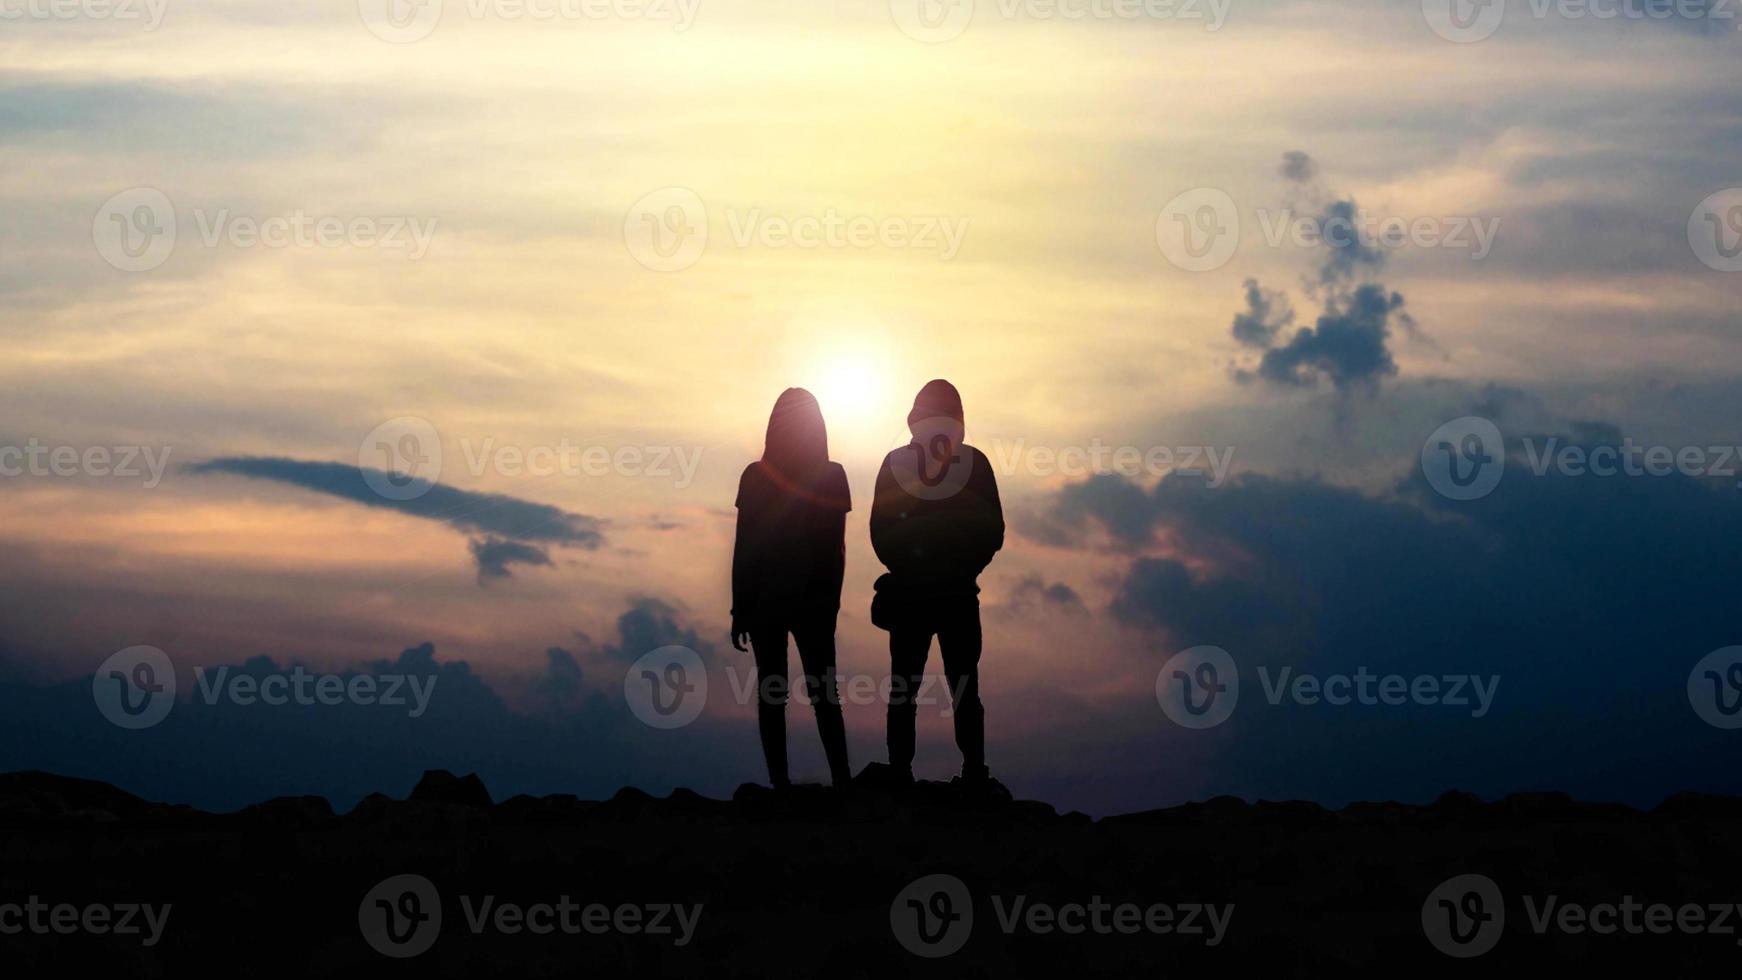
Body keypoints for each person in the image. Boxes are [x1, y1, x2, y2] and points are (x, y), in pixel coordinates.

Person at [870, 379, 1004, 788]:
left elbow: (992, 530)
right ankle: (913, 773)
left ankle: (968, 772)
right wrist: (947, 566)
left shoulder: (973, 466)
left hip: (945, 593)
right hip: (941, 594)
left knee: (947, 689)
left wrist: (955, 568)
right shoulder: (901, 465)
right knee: (926, 690)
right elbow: (882, 531)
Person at [730, 388, 853, 788]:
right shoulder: (828, 475)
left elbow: (745, 545)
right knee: (818, 694)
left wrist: (741, 606)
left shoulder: (761, 476)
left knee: (777, 693)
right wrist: (740, 607)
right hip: (803, 601)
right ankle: (838, 781)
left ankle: (789, 784)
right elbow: (836, 549)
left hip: (782, 600)